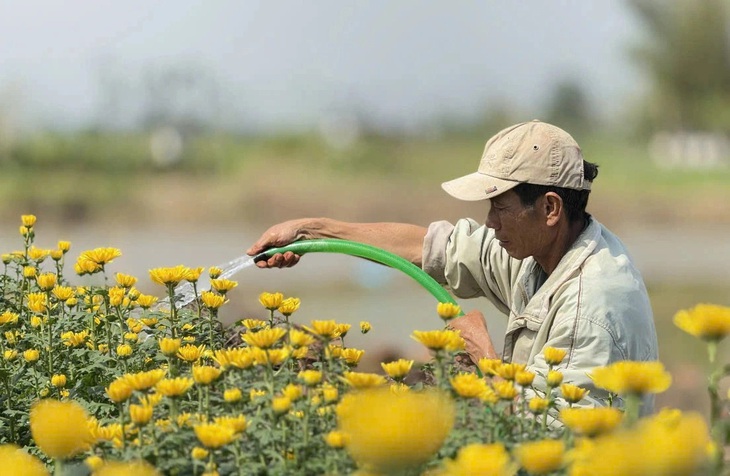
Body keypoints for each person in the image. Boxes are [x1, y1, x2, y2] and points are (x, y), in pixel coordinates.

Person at [246, 120, 659, 413]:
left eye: (500, 207)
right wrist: (314, 231)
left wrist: (482, 352)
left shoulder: (592, 305)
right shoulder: (544, 250)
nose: (490, 224)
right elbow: (434, 248)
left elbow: (553, 435)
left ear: (550, 208)